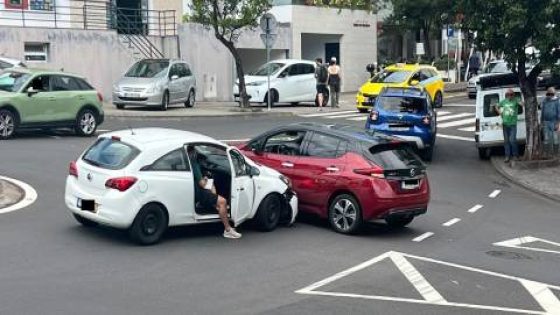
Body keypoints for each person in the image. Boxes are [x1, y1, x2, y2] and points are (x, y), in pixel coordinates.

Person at [187, 146, 242, 239]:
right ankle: (228, 230)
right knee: (223, 201)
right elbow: (202, 184)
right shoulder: (193, 163)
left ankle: (215, 205)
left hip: (193, 188)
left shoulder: (187, 161)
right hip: (198, 191)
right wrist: (205, 179)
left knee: (212, 185)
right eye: (194, 150)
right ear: (192, 152)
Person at [495, 89, 524, 163]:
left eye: (512, 94)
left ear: (513, 95)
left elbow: (522, 104)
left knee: (512, 140)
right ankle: (507, 156)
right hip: (505, 124)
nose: (510, 96)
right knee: (506, 141)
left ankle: (515, 155)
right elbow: (496, 106)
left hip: (513, 124)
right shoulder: (504, 101)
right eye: (508, 94)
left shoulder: (515, 100)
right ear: (506, 95)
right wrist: (500, 113)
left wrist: (520, 101)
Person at [540, 87, 560, 157]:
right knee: (546, 138)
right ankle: (546, 153)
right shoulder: (545, 101)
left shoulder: (557, 101)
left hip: (554, 122)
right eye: (548, 93)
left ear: (554, 93)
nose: (549, 95)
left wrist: (558, 123)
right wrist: (541, 122)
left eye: (551, 93)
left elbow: (559, 113)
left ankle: (556, 154)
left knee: (555, 138)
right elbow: (542, 111)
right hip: (546, 122)